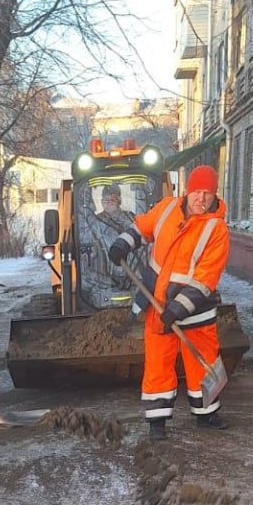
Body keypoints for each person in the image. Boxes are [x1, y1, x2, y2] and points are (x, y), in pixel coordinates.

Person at [107, 165, 231, 441]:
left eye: (208, 193)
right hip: (157, 304)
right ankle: (158, 423)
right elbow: (142, 226)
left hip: (194, 312)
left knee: (203, 364)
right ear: (187, 191)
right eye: (197, 192)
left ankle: (206, 415)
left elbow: (205, 278)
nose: (202, 199)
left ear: (214, 195)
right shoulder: (166, 209)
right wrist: (123, 244)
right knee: (158, 365)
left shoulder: (217, 230)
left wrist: (178, 309)